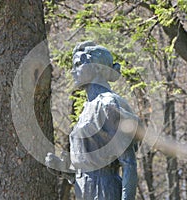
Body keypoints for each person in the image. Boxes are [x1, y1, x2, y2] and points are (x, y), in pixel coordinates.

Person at [46, 41, 145, 200]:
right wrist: (65, 170)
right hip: (84, 190)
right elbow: (89, 162)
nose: (73, 71)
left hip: (104, 189)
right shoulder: (87, 107)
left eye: (78, 64)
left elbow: (129, 164)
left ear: (97, 68)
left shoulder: (107, 105)